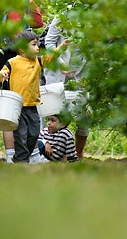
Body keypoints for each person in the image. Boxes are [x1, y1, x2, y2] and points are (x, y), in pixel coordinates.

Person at [0, 30, 70, 163]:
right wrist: (2, 75)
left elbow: (51, 56)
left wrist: (62, 46)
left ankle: (19, 157)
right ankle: (22, 161)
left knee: (34, 134)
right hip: (18, 108)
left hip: (33, 106)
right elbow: (0, 74)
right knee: (20, 135)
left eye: (37, 45)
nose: (37, 48)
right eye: (34, 45)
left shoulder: (38, 62)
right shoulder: (12, 62)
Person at [0, 0, 44, 163]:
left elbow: (38, 22)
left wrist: (31, 3)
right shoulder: (9, 10)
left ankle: (26, 155)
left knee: (24, 110)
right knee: (10, 110)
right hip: (9, 63)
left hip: (14, 63)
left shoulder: (22, 9)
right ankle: (14, 155)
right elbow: (16, 37)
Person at [44, 15, 89, 159]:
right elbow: (49, 42)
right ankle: (52, 154)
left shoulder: (95, 16)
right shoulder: (63, 16)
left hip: (80, 74)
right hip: (57, 72)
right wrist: (61, 63)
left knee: (83, 115)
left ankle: (77, 154)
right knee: (54, 112)